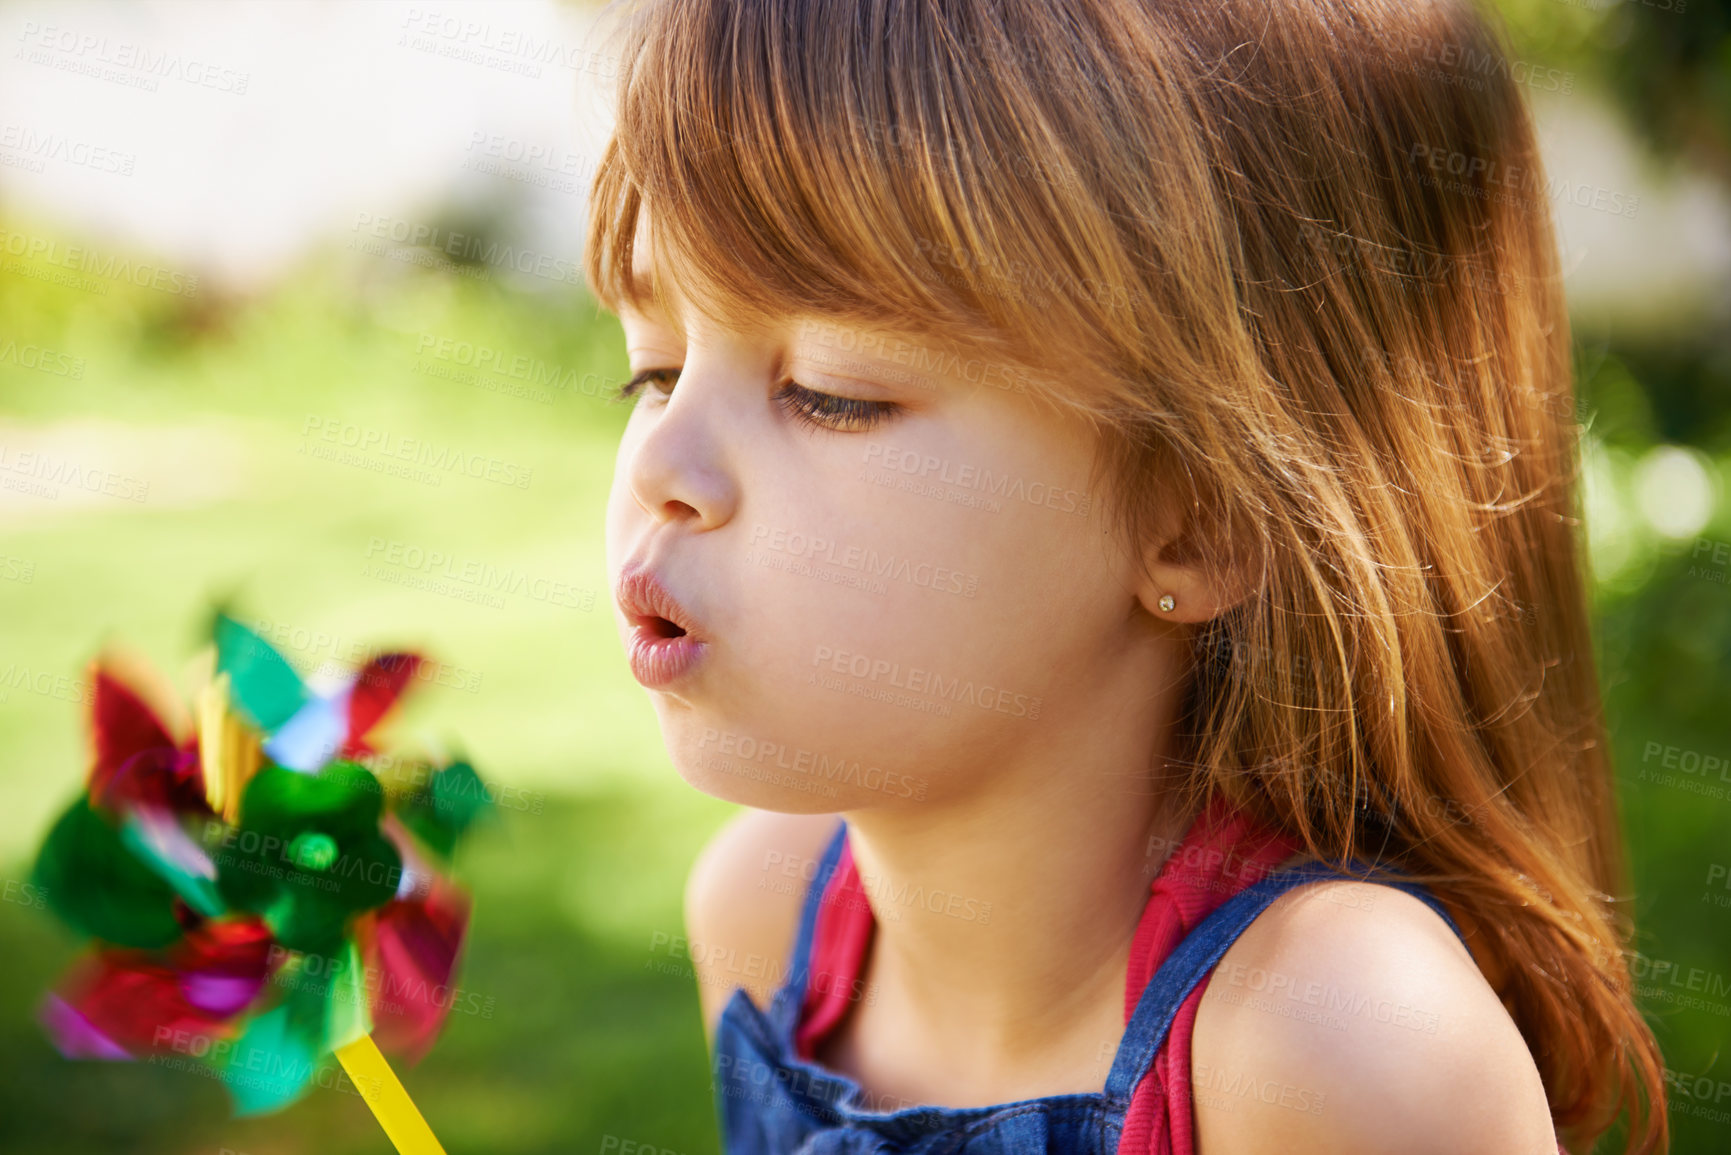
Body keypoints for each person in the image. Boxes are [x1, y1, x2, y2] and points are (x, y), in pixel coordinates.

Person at [584, 0, 1666, 1151]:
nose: (661, 461)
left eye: (834, 390)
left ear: (1201, 521)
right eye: (654, 369)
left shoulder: (1342, 1047)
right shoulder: (765, 912)